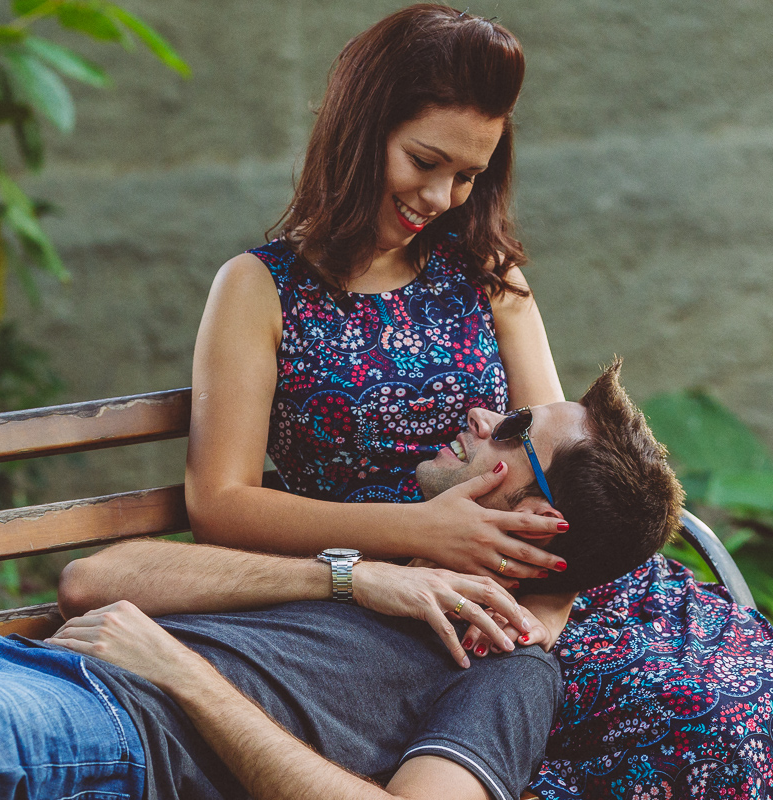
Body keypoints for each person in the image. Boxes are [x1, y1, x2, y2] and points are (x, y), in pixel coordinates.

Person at [0, 363, 679, 800]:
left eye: (507, 424)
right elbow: (96, 571)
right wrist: (351, 575)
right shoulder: (390, 567)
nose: (471, 415)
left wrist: (180, 674)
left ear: (527, 503)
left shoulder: (512, 668)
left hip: (84, 721)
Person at [182, 4, 773, 797]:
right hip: (415, 613)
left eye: (467, 175)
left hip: (548, 599)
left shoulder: (488, 273)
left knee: (743, 684)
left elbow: (570, 473)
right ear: (361, 129)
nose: (442, 195)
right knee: (696, 714)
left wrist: (549, 617)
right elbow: (218, 504)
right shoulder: (259, 289)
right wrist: (419, 531)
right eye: (424, 160)